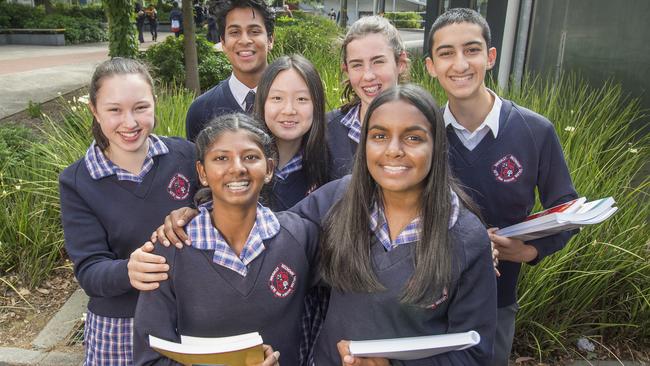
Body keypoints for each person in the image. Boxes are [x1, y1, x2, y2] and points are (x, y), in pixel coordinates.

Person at [130, 85, 497, 365]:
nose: (394, 150)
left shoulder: (465, 237)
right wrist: (194, 213)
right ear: (364, 143)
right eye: (379, 135)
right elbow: (260, 226)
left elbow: (475, 351)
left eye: (414, 137)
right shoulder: (339, 201)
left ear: (437, 145)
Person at [424, 8, 578, 365]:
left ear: (490, 57)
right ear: (431, 65)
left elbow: (567, 206)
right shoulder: (422, 132)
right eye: (446, 53)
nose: (460, 63)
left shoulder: (534, 131)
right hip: (425, 297)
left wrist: (529, 251)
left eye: (472, 49)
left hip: (497, 299)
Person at [132, 113, 319, 366]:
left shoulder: (301, 237)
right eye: (221, 158)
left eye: (251, 157)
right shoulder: (170, 249)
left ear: (269, 169)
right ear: (202, 172)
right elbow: (150, 355)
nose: (237, 168)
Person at [58, 58, 198, 365]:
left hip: (188, 317)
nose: (130, 122)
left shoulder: (185, 155)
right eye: (114, 110)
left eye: (140, 107)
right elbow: (90, 270)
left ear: (154, 104)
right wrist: (128, 271)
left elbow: (216, 204)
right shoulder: (77, 181)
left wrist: (193, 210)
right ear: (94, 111)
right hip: (120, 326)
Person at [327, 15, 408, 178]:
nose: (368, 76)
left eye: (378, 62)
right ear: (346, 70)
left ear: (400, 63)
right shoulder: (326, 131)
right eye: (357, 65)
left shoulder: (426, 126)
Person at [185, 0, 275, 142]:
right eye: (235, 32)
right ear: (223, 43)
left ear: (270, 40)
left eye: (254, 31)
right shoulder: (201, 110)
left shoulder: (292, 104)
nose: (244, 40)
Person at [254, 54, 330, 210]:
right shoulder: (243, 165)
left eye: (301, 99)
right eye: (277, 98)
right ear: (262, 102)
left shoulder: (328, 167)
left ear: (316, 105)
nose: (289, 110)